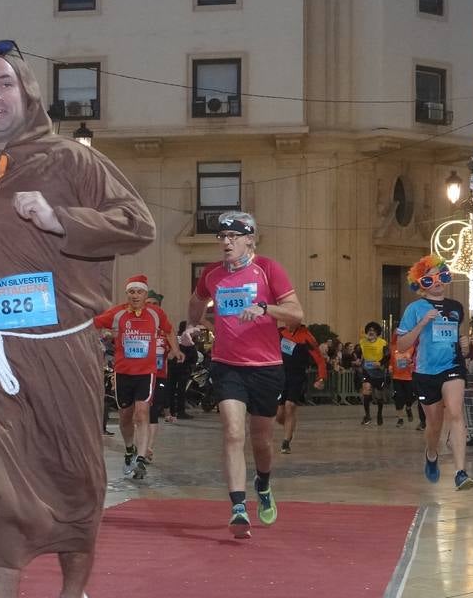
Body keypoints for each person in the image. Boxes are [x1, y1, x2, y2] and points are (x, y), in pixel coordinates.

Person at [0, 40, 154, 598]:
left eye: (3, 83)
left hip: (63, 349)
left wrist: (61, 218)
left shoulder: (71, 159)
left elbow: (137, 223)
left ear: (27, 92)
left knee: (75, 487)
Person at [187, 212, 303, 539]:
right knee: (233, 432)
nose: (226, 242)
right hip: (226, 365)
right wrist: (192, 325)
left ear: (250, 238)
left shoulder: (267, 269)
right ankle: (238, 506)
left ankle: (263, 485)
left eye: (234, 236)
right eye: (222, 237)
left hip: (266, 367)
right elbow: (196, 301)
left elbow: (296, 313)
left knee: (261, 440)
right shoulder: (212, 274)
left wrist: (265, 309)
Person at [395, 256, 473, 491]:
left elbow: (460, 334)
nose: (438, 281)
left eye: (443, 275)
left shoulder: (456, 307)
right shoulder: (415, 308)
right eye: (430, 278)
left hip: (452, 366)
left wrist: (465, 341)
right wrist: (421, 325)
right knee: (434, 425)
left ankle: (461, 472)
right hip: (426, 372)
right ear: (421, 283)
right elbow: (401, 345)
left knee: (456, 412)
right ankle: (431, 454)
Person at [93, 275, 178, 480]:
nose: (135, 295)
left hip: (146, 372)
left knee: (142, 413)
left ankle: (140, 458)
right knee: (125, 416)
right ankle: (129, 449)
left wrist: (175, 349)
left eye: (139, 292)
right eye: (131, 292)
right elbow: (93, 323)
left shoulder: (156, 313)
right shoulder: (117, 313)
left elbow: (169, 330)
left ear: (145, 294)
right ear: (127, 294)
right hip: (123, 372)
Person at [275, 321, 326, 454]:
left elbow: (320, 359)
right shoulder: (280, 333)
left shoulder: (307, 337)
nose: (288, 323)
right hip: (280, 376)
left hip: (297, 376)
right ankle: (289, 426)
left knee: (290, 406)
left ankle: (286, 442)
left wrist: (321, 378)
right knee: (279, 415)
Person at [357, 321, 391, 426]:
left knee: (378, 395)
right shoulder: (362, 342)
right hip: (367, 371)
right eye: (369, 330)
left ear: (377, 332)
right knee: (366, 390)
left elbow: (387, 356)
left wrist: (380, 363)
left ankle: (379, 413)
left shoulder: (383, 342)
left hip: (378, 372)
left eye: (374, 330)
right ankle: (367, 416)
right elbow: (358, 354)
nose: (371, 332)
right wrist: (358, 360)